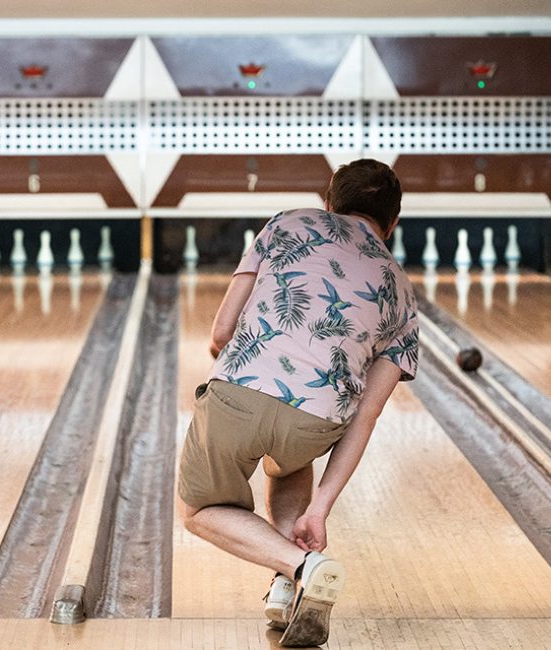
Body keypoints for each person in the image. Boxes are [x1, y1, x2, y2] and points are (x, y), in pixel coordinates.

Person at [177, 159, 418, 647]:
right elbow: (367, 415)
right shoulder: (402, 291)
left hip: (240, 393)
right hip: (317, 422)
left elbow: (221, 333)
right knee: (288, 464)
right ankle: (285, 590)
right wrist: (320, 509)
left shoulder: (287, 223)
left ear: (329, 202)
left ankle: (303, 565)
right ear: (392, 223)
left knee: (198, 510)